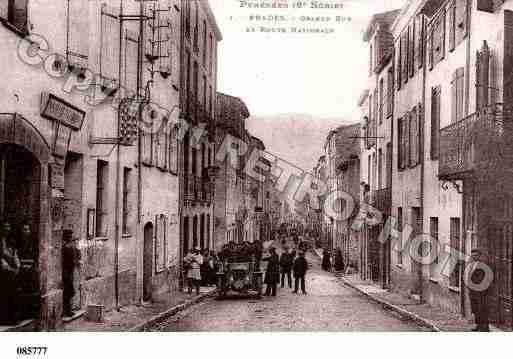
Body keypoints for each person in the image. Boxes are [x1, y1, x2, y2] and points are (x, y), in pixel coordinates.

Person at [0, 221, 20, 324]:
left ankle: (12, 318)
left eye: (9, 226)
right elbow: (3, 255)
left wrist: (17, 266)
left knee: (13, 294)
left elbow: (14, 254)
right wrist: (9, 267)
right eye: (5, 226)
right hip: (4, 271)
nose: (7, 229)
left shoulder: (10, 240)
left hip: (11, 270)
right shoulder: (2, 240)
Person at [467, 248, 491, 332]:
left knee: (482, 309)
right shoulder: (472, 264)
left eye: (476, 255)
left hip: (481, 291)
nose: (474, 257)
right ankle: (478, 325)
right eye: (473, 255)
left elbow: (483, 278)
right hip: (472, 291)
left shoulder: (483, 265)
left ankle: (484, 327)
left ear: (480, 256)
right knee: (475, 309)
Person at [62, 230, 81, 317]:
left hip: (71, 271)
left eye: (71, 236)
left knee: (70, 291)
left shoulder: (71, 246)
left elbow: (77, 256)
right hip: (67, 271)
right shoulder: (65, 247)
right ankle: (67, 311)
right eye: (69, 236)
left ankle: (68, 310)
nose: (70, 237)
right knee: (68, 291)